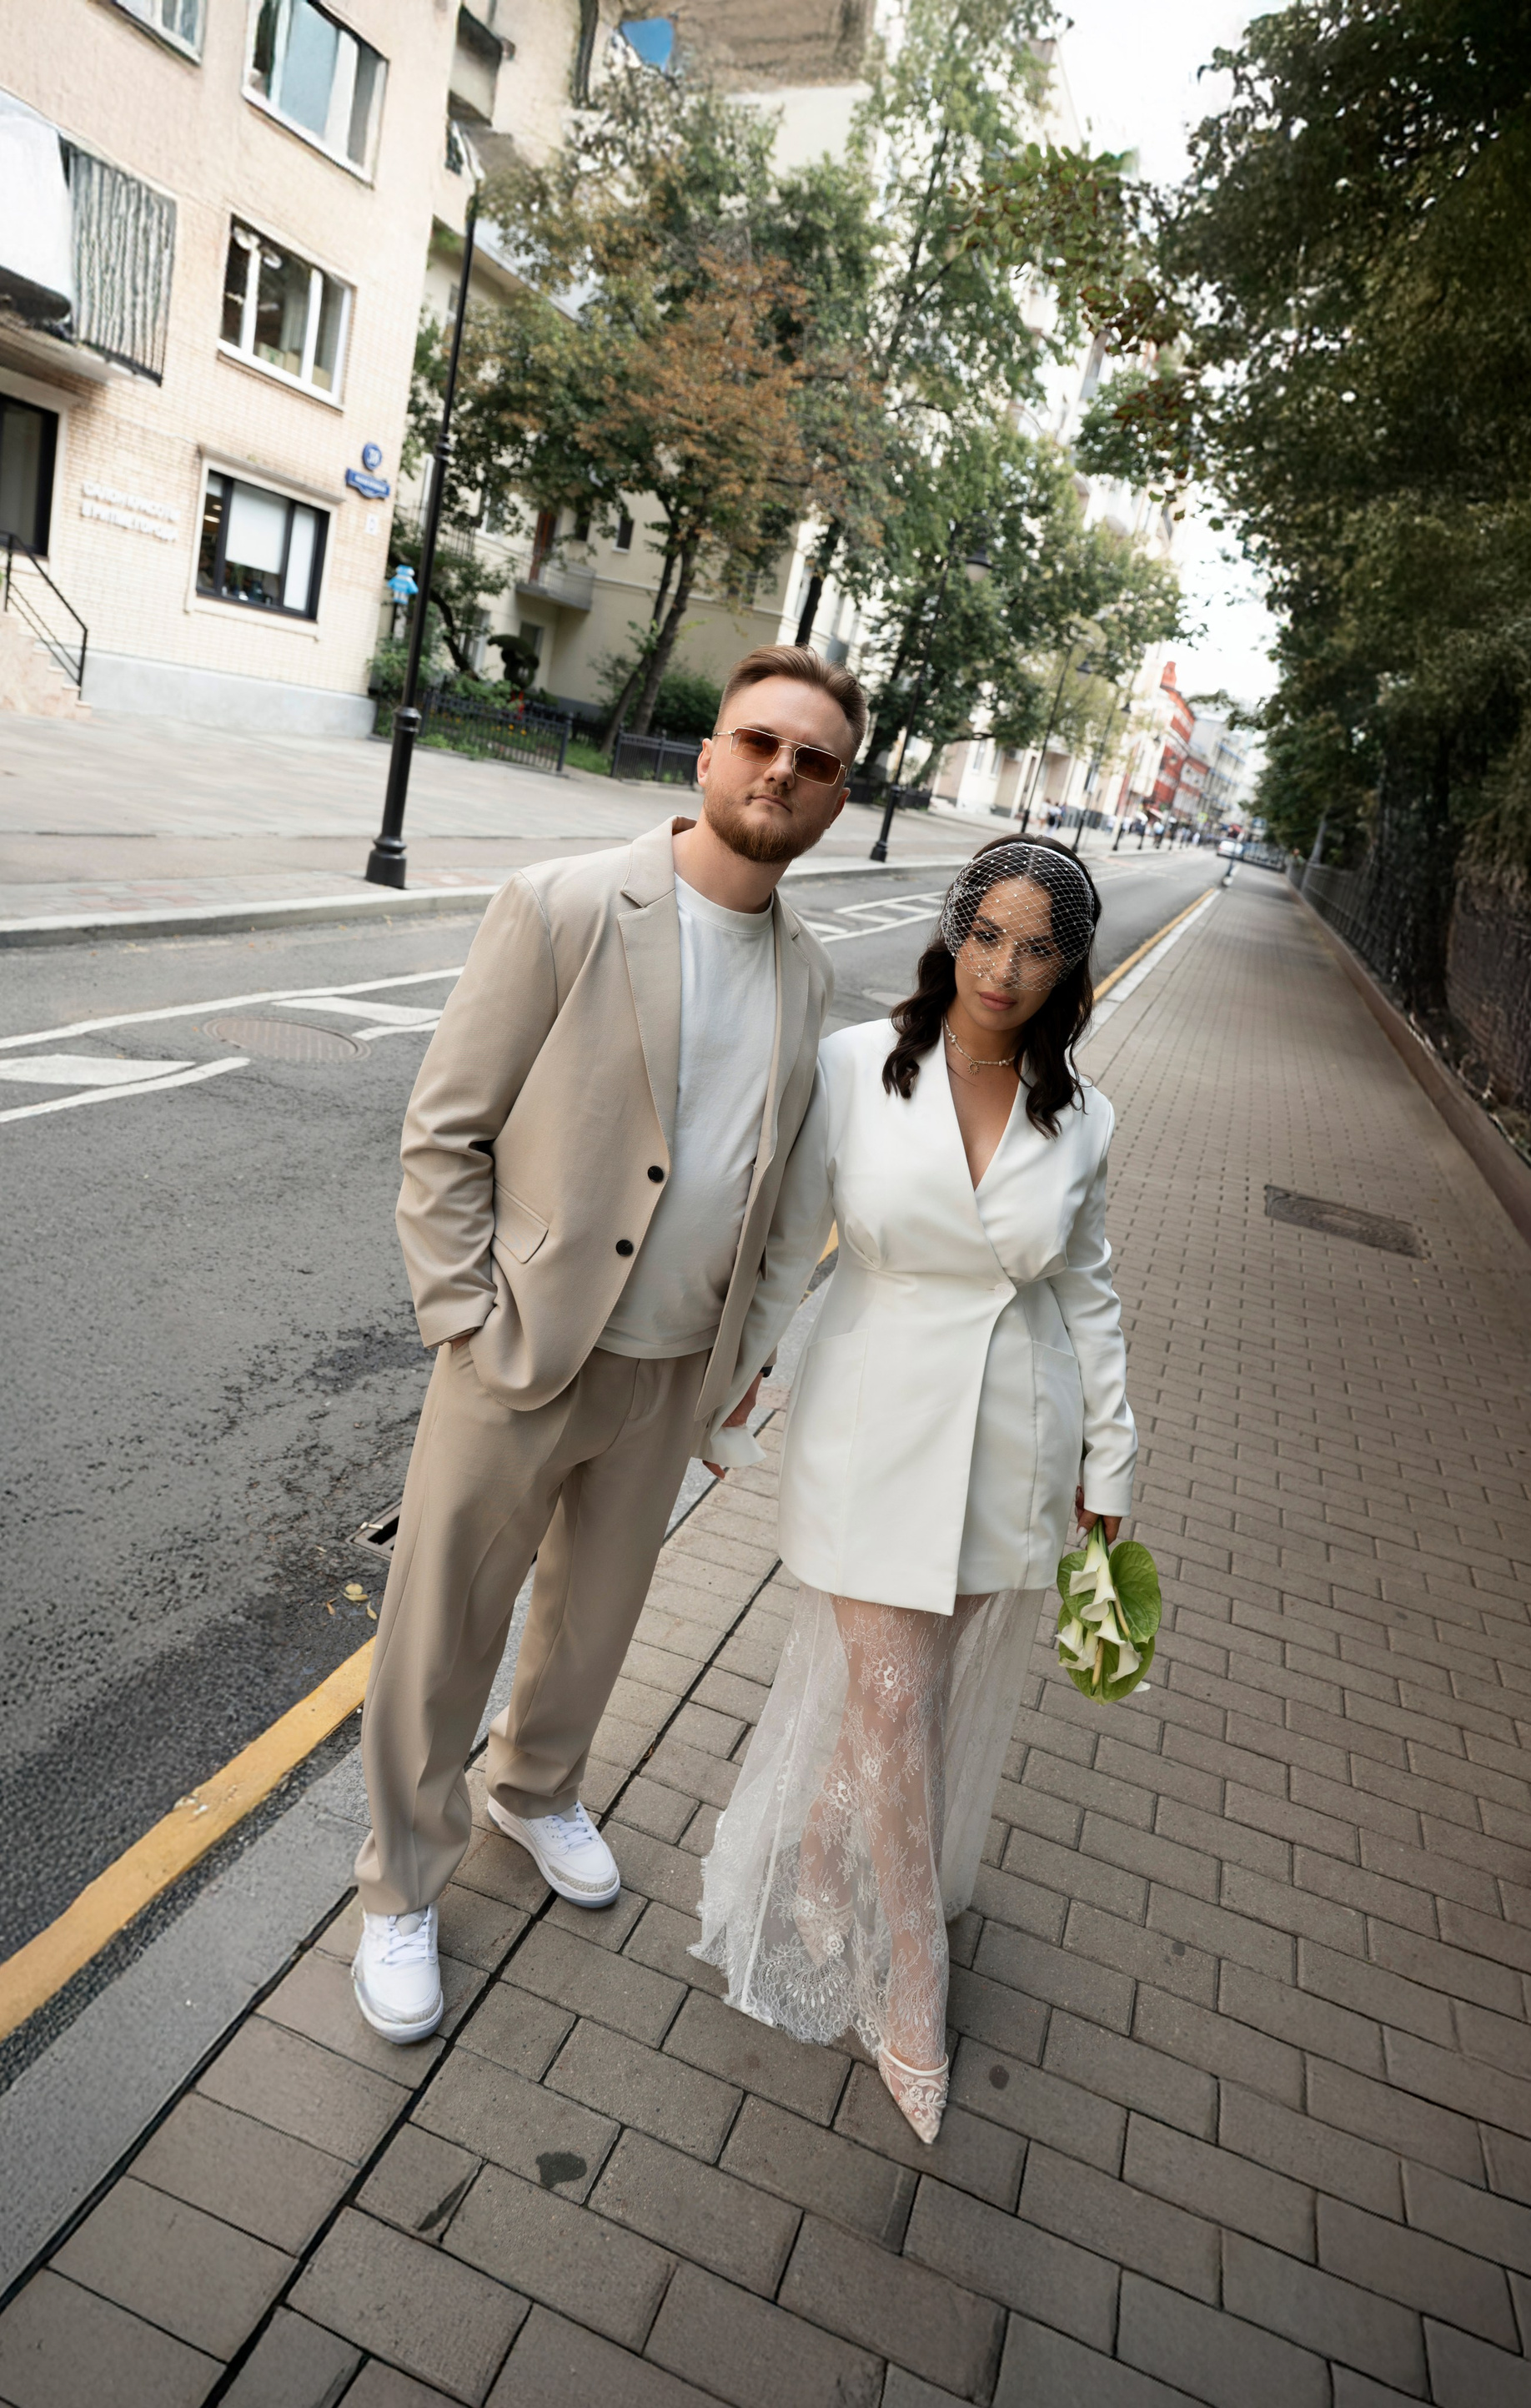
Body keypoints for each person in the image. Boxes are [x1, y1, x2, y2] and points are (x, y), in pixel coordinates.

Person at [351, 644, 864, 2044]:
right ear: (708, 754)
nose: (782, 772)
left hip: (672, 1364)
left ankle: (535, 1788)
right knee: (443, 1629)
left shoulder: (811, 973)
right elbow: (445, 1130)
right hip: (520, 1348)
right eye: (760, 742)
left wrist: (738, 1368)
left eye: (815, 761)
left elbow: (778, 1193)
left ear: (837, 797)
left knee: (596, 1622)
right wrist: (464, 1317)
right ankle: (401, 1882)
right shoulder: (567, 905)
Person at [694, 837, 1137, 2143]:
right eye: (987, 935)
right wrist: (739, 1376)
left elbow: (1090, 1295)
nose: (1004, 969)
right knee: (894, 1700)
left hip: (1014, 1434)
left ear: (1070, 970)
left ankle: (822, 1852)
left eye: (1038, 949)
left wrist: (1111, 1457)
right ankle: (914, 1979)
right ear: (954, 934)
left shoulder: (1084, 1116)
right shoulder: (853, 1065)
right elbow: (791, 1243)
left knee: (905, 1704)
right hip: (871, 1418)